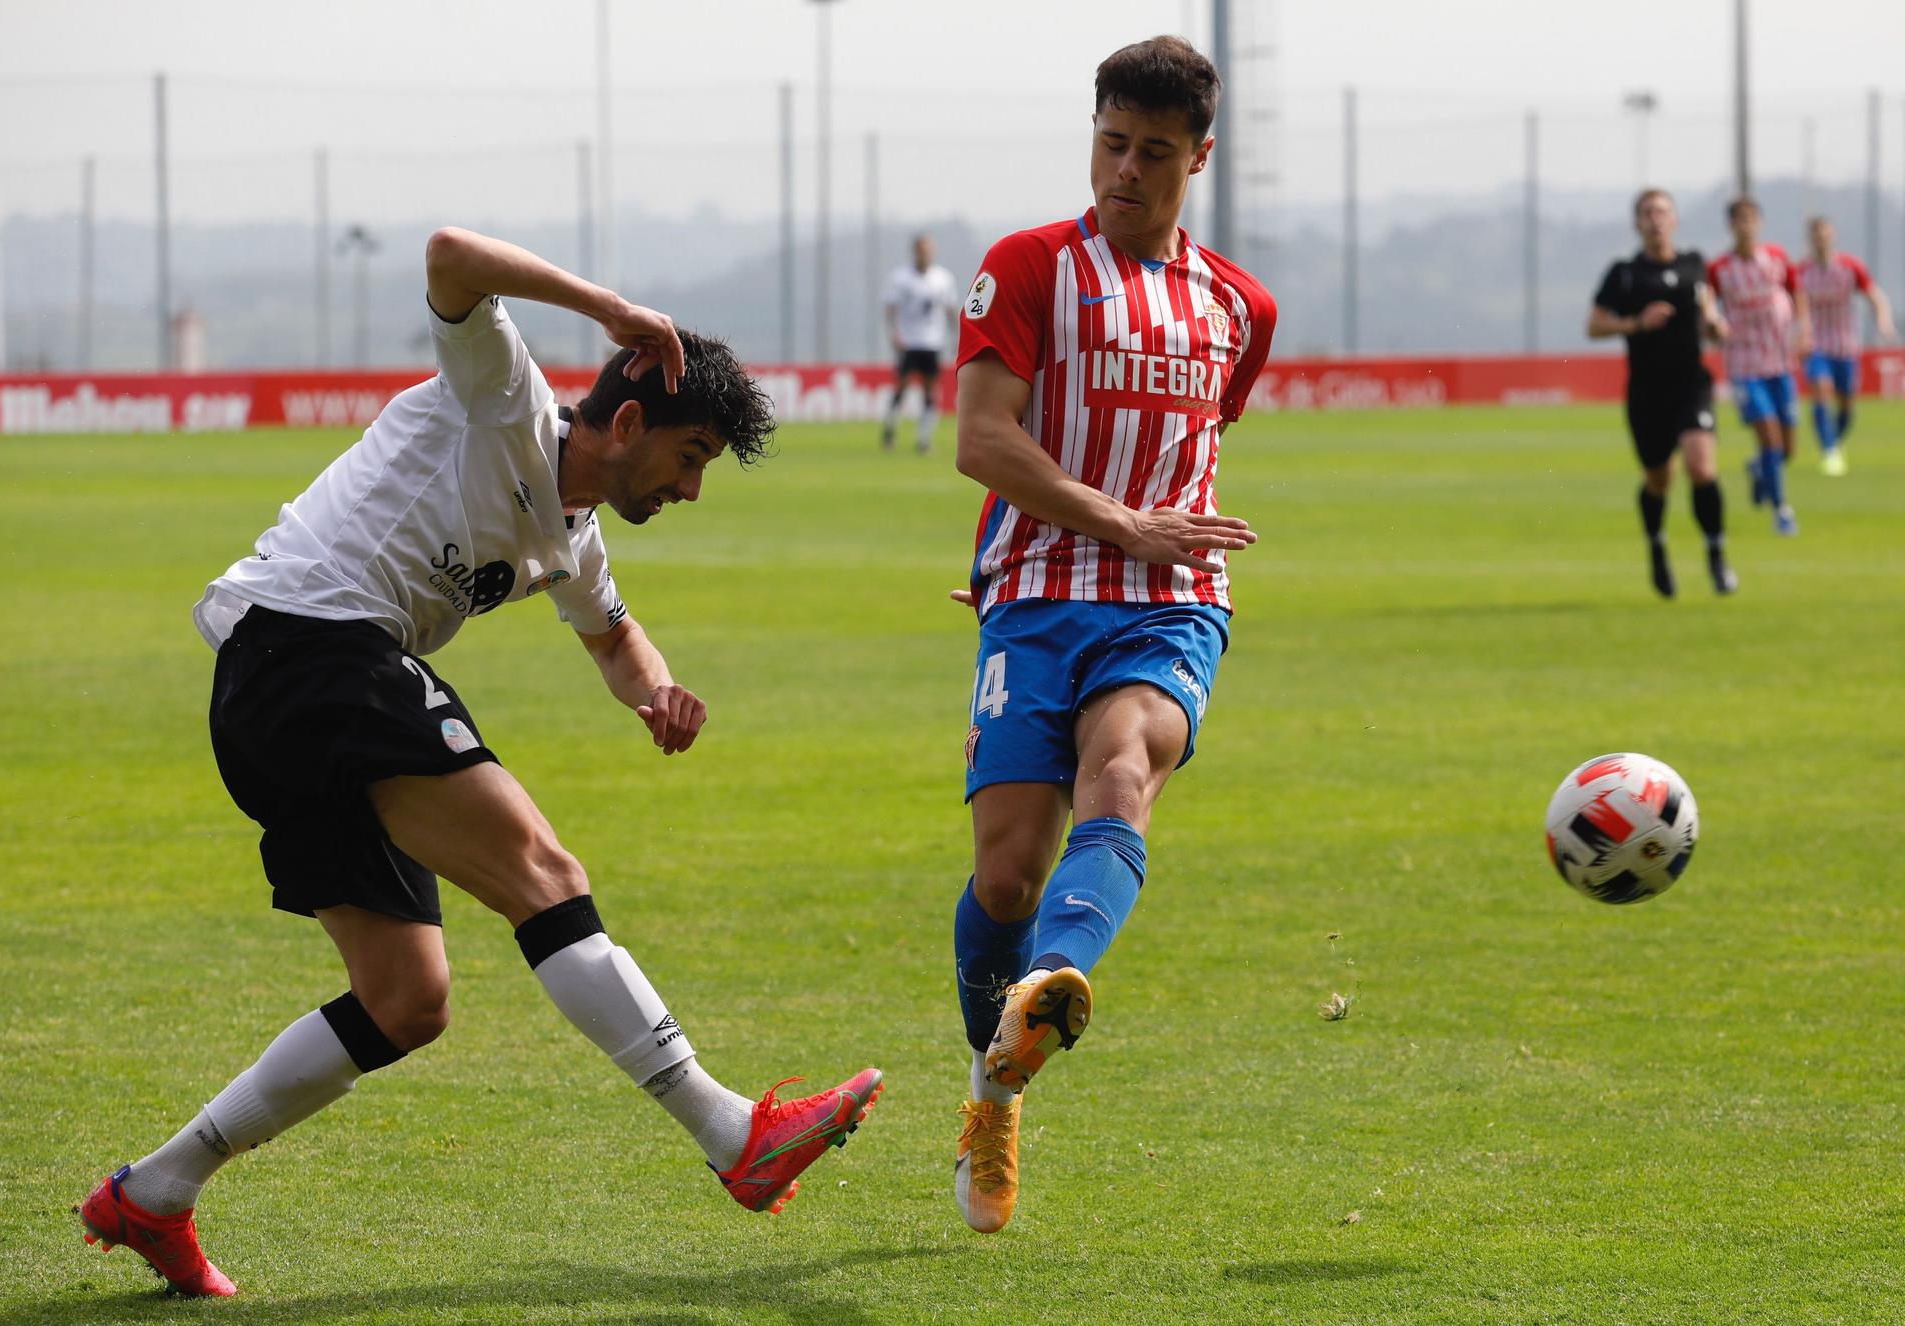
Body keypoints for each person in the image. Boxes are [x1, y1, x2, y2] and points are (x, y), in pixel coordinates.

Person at [78, 228, 883, 1298]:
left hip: (289, 695)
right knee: (543, 876)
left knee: (405, 999)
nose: (692, 489)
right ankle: (733, 1135)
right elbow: (450, 254)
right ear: (630, 420)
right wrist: (608, 306)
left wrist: (656, 690)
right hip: (309, 645)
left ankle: (156, 1192)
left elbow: (610, 635)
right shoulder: (502, 395)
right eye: (690, 457)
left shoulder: (576, 534)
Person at [944, 36, 1275, 1236]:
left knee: (1124, 767)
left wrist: (1148, 538)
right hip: (1035, 589)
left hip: (1169, 596)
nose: (1123, 170)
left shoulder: (1240, 306)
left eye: (1150, 151)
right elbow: (984, 440)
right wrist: (1106, 523)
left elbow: (1186, 449)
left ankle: (1056, 978)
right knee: (1003, 871)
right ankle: (995, 1083)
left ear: (1197, 155)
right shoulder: (1026, 267)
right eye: (1109, 143)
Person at [1588, 188, 1739, 597]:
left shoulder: (1694, 265)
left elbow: (1709, 311)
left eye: (1662, 212)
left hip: (1691, 383)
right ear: (1637, 223)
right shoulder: (1624, 274)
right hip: (1646, 392)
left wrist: (1716, 327)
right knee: (1659, 480)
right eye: (1647, 213)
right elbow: (1595, 325)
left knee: (1702, 468)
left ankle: (1716, 556)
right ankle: (1657, 547)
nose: (1655, 219)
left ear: (1675, 220)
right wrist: (1636, 323)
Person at [1707, 198, 1809, 536]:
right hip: (1745, 365)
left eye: (1751, 219)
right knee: (1769, 434)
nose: (1746, 225)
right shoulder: (1719, 268)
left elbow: (1798, 294)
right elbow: (1707, 307)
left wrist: (1804, 330)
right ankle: (1781, 510)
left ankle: (1758, 469)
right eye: (1739, 220)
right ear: (1731, 225)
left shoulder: (1777, 258)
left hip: (1780, 361)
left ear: (1760, 223)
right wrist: (1713, 324)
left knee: (1788, 447)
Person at [1796, 215, 1895, 476]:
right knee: (1821, 390)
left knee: (1847, 405)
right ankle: (1829, 450)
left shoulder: (1851, 267)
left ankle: (1834, 442)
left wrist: (1883, 320)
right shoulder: (1802, 272)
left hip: (1846, 346)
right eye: (1817, 235)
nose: (1822, 239)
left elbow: (1875, 295)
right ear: (1811, 239)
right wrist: (1798, 335)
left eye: (1825, 233)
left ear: (1833, 236)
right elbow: (1793, 305)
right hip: (1817, 344)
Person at [881, 233, 959, 453]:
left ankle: (923, 440)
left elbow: (950, 309)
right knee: (903, 385)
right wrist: (894, 334)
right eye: (921, 250)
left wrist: (956, 336)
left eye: (928, 250)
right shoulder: (901, 278)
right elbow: (891, 309)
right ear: (915, 252)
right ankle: (889, 431)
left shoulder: (942, 278)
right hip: (909, 341)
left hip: (932, 342)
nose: (925, 254)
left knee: (930, 390)